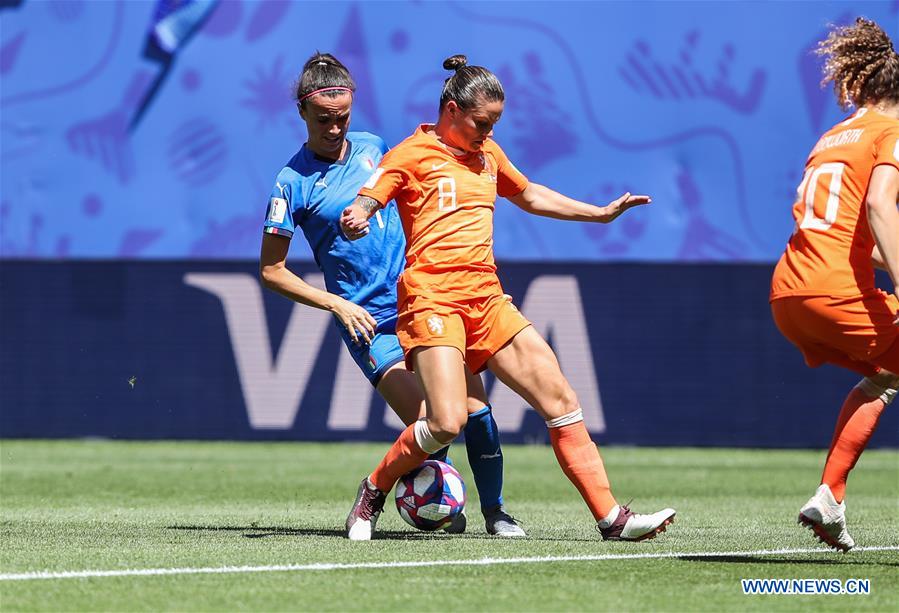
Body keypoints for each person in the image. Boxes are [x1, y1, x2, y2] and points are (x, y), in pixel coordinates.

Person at [341, 54, 676, 542]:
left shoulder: (488, 155)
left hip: (487, 299)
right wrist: (359, 212)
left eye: (495, 123)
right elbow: (371, 195)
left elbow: (530, 194)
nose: (488, 133)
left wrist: (598, 214)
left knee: (560, 399)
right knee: (446, 421)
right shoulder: (410, 154)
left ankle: (612, 519)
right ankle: (373, 490)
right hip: (433, 300)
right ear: (451, 109)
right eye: (482, 122)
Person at [259, 53, 525, 538]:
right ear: (301, 112)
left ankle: (496, 514)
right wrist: (337, 303)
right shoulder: (290, 183)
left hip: (422, 300)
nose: (335, 128)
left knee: (476, 409)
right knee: (432, 420)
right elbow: (272, 271)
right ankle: (423, 501)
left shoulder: (375, 148)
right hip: (369, 321)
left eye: (342, 118)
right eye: (323, 120)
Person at [770, 18, 899, 552]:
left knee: (887, 375)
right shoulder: (891, 132)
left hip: (789, 291)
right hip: (834, 288)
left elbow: (842, 229)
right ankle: (829, 492)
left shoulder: (833, 135)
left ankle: (830, 496)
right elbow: (878, 207)